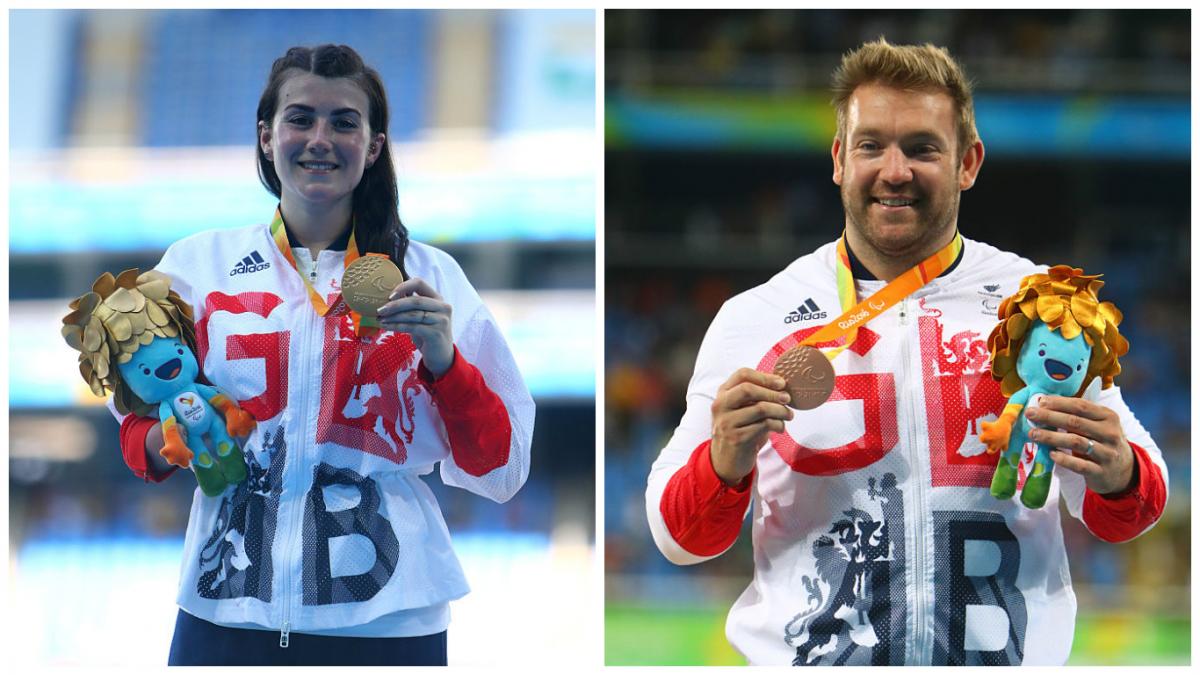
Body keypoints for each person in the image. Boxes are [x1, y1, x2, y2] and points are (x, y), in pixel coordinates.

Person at [645, 38, 1167, 666]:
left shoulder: (1041, 306)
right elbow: (679, 539)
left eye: (922, 147)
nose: (895, 170)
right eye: (872, 145)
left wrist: (1119, 471)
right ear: (840, 158)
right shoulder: (755, 318)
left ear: (968, 162)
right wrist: (722, 464)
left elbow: (1127, 510)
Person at [110, 44, 534, 666]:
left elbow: (501, 466)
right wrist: (171, 439)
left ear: (375, 144)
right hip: (225, 612)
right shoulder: (196, 267)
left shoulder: (430, 277)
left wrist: (446, 364)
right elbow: (131, 419)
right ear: (265, 136)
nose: (320, 138)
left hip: (391, 622)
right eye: (300, 118)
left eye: (344, 122)